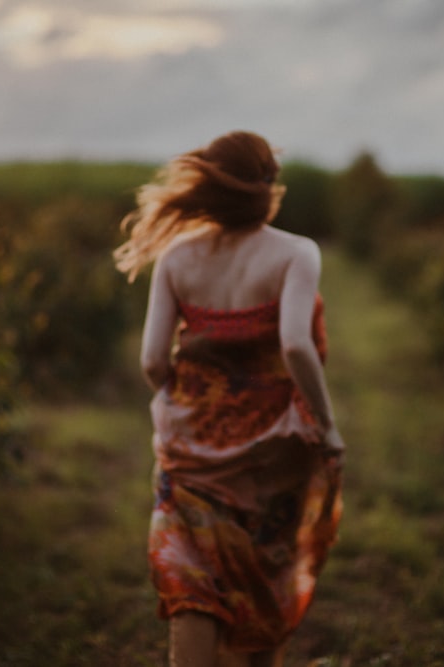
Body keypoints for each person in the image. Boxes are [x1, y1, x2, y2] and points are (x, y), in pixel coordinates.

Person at [113, 130, 344, 667]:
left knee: (192, 579)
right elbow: (295, 345)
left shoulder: (176, 257)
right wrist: (328, 426)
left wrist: (188, 406)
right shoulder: (296, 253)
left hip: (191, 447)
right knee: (266, 572)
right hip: (275, 445)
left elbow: (152, 361)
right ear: (269, 188)